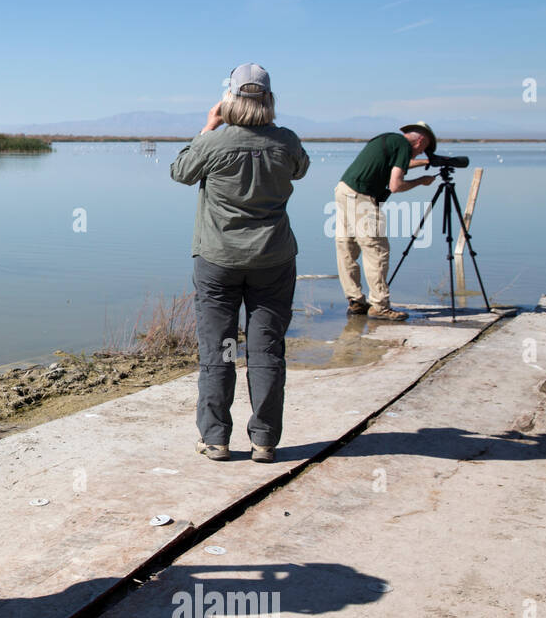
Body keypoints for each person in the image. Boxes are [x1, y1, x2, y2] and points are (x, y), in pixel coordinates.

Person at [170, 64, 310, 464]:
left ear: (228, 97)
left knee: (220, 349)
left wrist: (208, 126)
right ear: (268, 100)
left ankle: (216, 439)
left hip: (218, 260)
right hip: (273, 259)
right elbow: (300, 169)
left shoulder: (214, 143)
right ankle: (264, 441)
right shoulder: (286, 141)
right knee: (266, 349)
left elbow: (180, 172)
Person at [334, 122, 438, 321]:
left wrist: (425, 163)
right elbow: (395, 185)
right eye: (422, 151)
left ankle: (356, 301)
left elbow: (398, 165)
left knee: (347, 248)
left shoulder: (390, 140)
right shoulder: (404, 146)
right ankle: (380, 306)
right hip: (362, 197)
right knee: (376, 250)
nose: (418, 155)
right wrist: (421, 181)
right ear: (421, 140)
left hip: (344, 190)